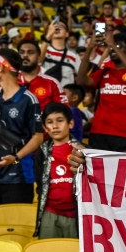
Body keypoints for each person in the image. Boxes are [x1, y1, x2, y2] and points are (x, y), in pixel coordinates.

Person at [0, 48, 44, 213]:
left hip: (19, 175)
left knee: (15, 227)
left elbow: (38, 137)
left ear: (2, 67)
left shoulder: (29, 100)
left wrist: (15, 158)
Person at [81, 29, 126, 153]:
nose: (112, 49)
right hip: (99, 132)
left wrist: (112, 45)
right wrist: (89, 49)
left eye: (118, 46)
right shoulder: (104, 71)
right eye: (111, 46)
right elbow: (81, 81)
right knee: (98, 172)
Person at [34, 102, 81, 239]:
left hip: (76, 214)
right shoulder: (41, 153)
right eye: (49, 122)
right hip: (49, 213)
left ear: (70, 124)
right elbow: (40, 185)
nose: (55, 126)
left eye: (60, 121)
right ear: (44, 127)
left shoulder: (83, 151)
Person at [18, 38, 67, 111]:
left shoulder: (52, 83)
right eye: (22, 52)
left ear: (39, 57)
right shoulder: (9, 81)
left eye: (30, 52)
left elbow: (64, 112)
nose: (25, 55)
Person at [42, 20, 81, 86]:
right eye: (54, 27)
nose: (57, 28)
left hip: (65, 94)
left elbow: (81, 77)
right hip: (45, 92)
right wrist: (48, 34)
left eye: (61, 27)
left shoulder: (74, 56)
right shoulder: (43, 49)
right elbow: (38, 60)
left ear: (67, 34)